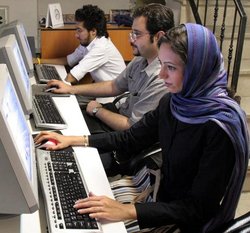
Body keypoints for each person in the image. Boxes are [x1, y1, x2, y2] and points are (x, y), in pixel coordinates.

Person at [35, 23, 249, 232]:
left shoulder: (220, 128)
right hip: (162, 201)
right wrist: (74, 140)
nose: (162, 75)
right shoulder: (174, 102)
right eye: (162, 64)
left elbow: (197, 209)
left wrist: (127, 211)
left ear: (197, 70)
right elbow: (130, 138)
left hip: (188, 221)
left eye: (171, 68)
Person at [46, 3, 174, 132]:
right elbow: (114, 86)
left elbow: (132, 128)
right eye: (132, 33)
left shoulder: (162, 78)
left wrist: (97, 110)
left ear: (159, 37)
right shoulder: (140, 59)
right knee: (65, 120)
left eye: (137, 34)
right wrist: (70, 89)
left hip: (123, 130)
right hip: (118, 112)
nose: (131, 40)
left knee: (67, 129)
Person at [34, 4, 126, 84]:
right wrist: (38, 61)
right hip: (101, 88)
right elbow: (68, 60)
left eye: (79, 31)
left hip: (112, 98)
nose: (76, 35)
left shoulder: (101, 47)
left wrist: (48, 87)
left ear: (93, 31)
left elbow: (72, 77)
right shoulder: (89, 42)